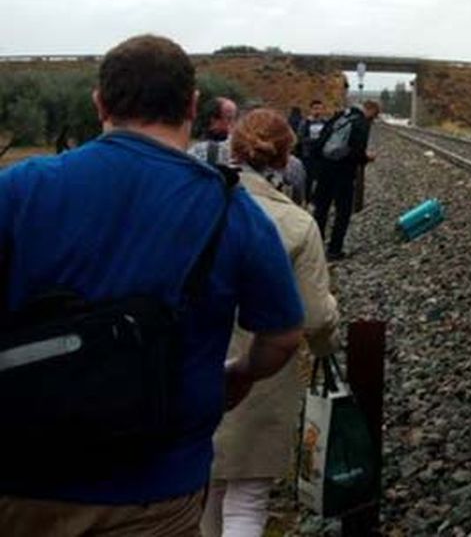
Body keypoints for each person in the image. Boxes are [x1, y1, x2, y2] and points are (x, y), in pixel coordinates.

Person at [0, 34, 304, 536]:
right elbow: (283, 335)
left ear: (99, 102)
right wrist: (243, 372)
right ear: (192, 105)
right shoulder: (232, 211)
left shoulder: (18, 188)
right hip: (156, 487)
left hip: (20, 478)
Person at [202, 110, 338, 537]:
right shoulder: (298, 223)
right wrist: (325, 347)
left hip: (193, 364)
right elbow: (315, 317)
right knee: (247, 498)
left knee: (203, 491)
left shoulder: (193, 203)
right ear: (285, 159)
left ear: (233, 148)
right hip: (263, 371)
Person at [310, 100, 379, 261]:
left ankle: (315, 247)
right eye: (374, 116)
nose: (373, 120)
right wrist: (366, 158)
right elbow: (356, 153)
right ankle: (335, 249)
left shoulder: (340, 117)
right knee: (343, 211)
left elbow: (320, 142)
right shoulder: (361, 123)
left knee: (321, 209)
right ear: (370, 111)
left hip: (325, 170)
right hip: (344, 173)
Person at [297, 98, 330, 204]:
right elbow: (301, 138)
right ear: (311, 109)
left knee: (321, 178)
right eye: (315, 109)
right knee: (308, 179)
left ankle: (318, 199)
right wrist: (314, 141)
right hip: (308, 155)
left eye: (320, 109)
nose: (318, 111)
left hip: (322, 155)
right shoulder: (305, 123)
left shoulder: (326, 123)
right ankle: (307, 198)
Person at [189, 96, 239, 166]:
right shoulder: (198, 151)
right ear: (213, 120)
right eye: (229, 119)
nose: (234, 124)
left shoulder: (238, 151)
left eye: (235, 118)